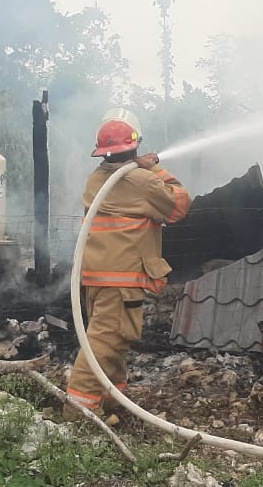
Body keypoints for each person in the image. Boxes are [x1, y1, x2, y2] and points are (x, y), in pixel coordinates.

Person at [66, 108, 190, 420]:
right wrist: (157, 170)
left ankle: (113, 403)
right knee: (103, 344)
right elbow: (178, 206)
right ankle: (78, 413)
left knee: (114, 342)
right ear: (134, 146)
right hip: (121, 280)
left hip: (96, 278)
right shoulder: (143, 181)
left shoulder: (97, 178)